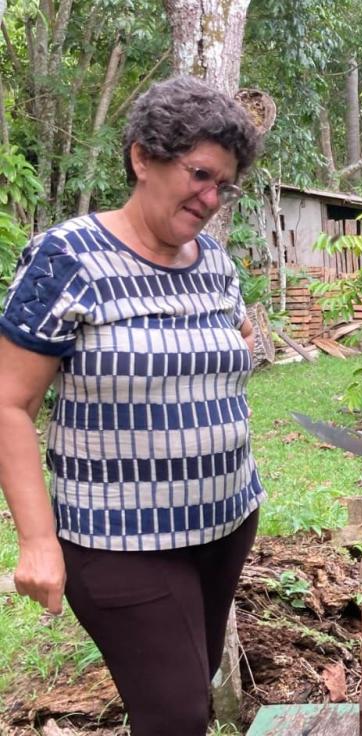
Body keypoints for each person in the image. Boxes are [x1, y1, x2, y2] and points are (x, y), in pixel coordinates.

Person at [0, 75, 265, 735]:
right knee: (176, 714)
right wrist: (37, 541)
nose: (210, 199)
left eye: (224, 185)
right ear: (143, 157)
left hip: (226, 520)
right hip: (119, 539)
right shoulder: (67, 258)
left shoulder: (216, 265)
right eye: (200, 175)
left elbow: (219, 353)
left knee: (182, 693)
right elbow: (9, 403)